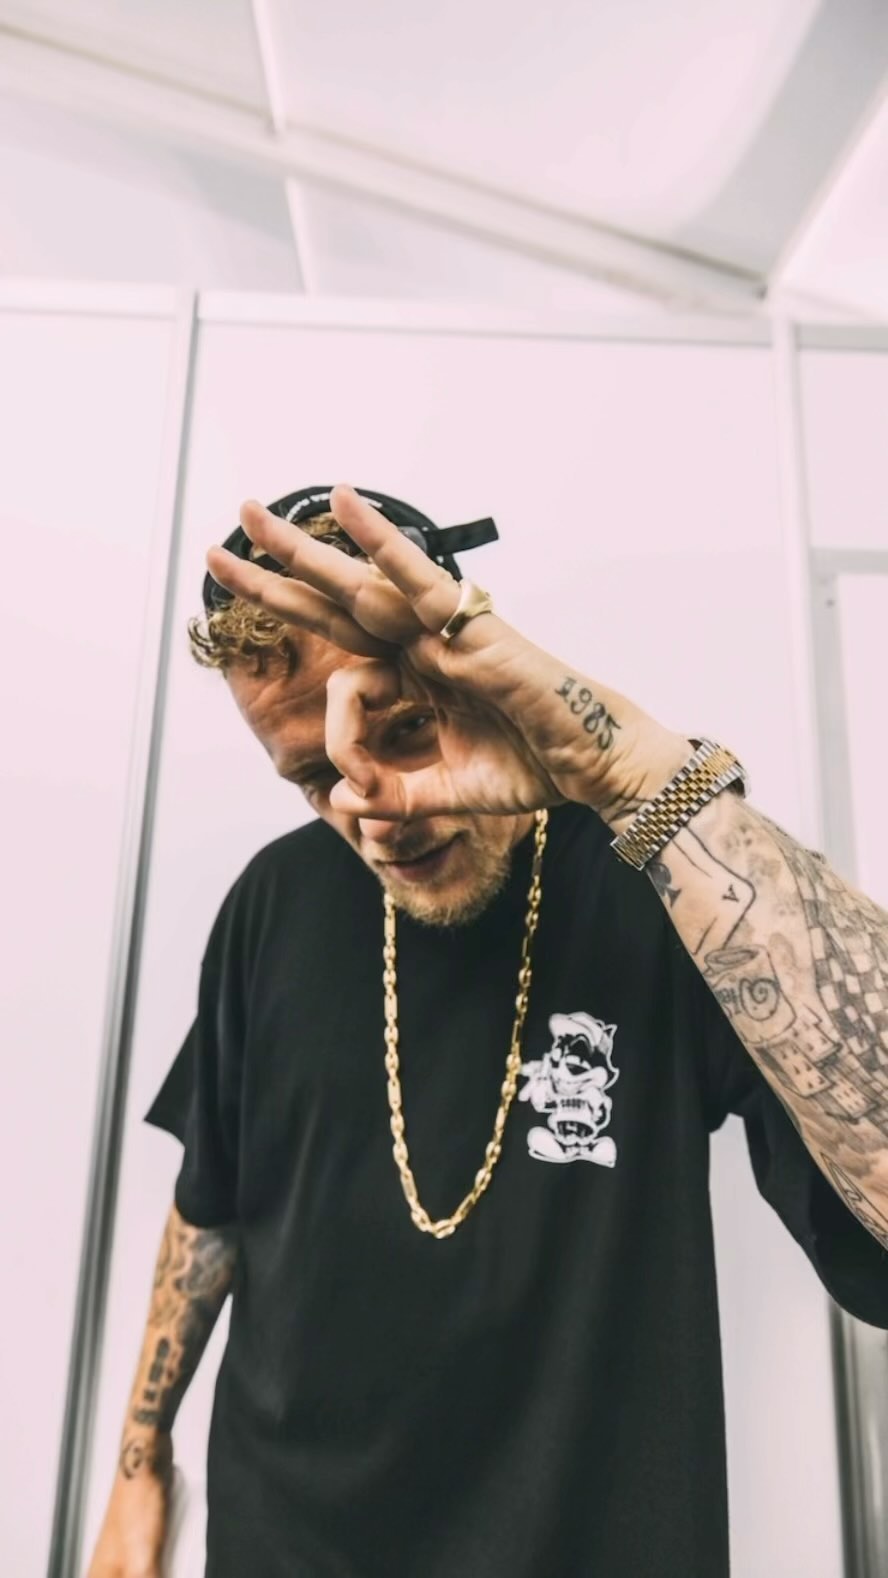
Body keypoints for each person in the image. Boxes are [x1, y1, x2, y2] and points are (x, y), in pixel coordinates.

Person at [88, 483, 888, 1578]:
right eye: (314, 777)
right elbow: (211, 1206)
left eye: (403, 729)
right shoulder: (272, 900)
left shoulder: (659, 885)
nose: (370, 806)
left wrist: (637, 776)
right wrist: (139, 1465)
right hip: (285, 1539)